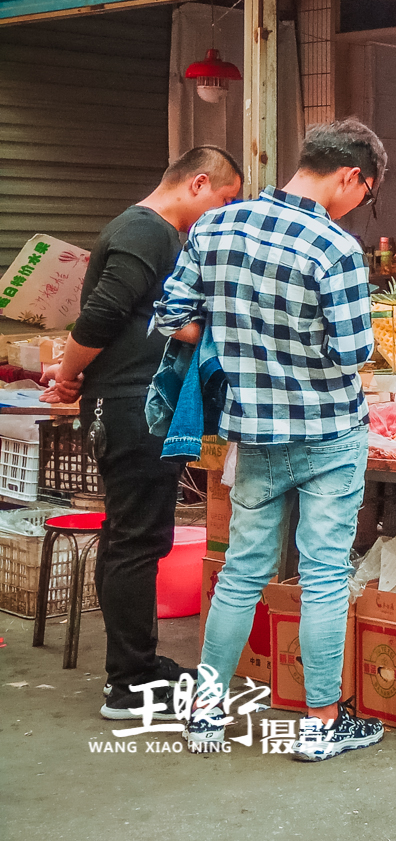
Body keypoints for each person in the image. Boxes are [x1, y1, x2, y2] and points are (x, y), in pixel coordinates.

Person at [155, 120, 385, 760]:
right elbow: (355, 351)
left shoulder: (214, 226)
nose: (357, 205)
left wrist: (240, 345)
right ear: (351, 176)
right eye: (363, 193)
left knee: (240, 574)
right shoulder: (335, 248)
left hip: (252, 434)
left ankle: (204, 719)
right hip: (330, 434)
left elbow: (173, 318)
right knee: (323, 577)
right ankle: (318, 727)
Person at [40, 146, 241, 719]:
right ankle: (129, 684)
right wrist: (73, 375)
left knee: (137, 535)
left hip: (132, 400)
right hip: (132, 407)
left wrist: (73, 371)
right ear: (198, 183)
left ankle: (138, 668)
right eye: (223, 200)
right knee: (135, 539)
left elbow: (136, 322)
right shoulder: (145, 230)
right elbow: (101, 315)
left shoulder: (156, 236)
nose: (219, 214)